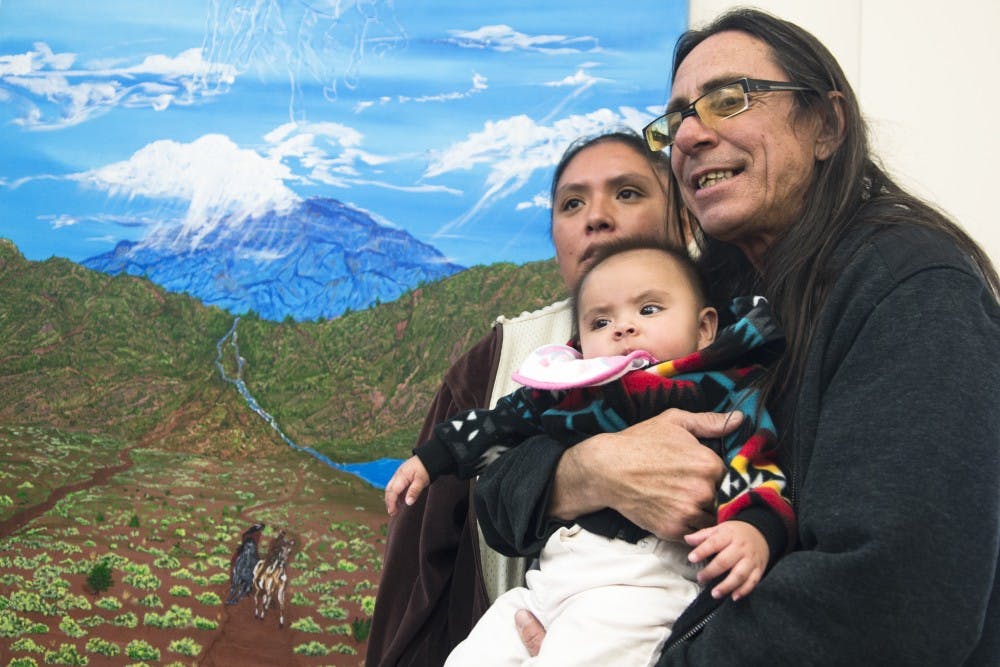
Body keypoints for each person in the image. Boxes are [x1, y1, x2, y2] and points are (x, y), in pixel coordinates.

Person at [489, 8, 1000, 665]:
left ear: (825, 125)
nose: (692, 135)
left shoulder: (914, 289)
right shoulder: (695, 302)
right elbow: (495, 495)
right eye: (676, 120)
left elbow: (891, 599)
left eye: (729, 98)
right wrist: (589, 471)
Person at [366, 131, 733, 667]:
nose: (597, 217)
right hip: (538, 602)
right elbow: (421, 571)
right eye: (572, 203)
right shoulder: (501, 361)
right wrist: (581, 471)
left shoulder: (730, 353)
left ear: (683, 219)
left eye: (628, 193)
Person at [385, 239, 793, 665]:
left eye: (649, 309)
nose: (623, 327)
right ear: (580, 341)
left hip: (639, 588)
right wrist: (435, 457)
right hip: (549, 583)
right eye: (601, 322)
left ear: (704, 326)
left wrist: (756, 528)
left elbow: (756, 459)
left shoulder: (723, 388)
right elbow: (502, 422)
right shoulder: (573, 388)